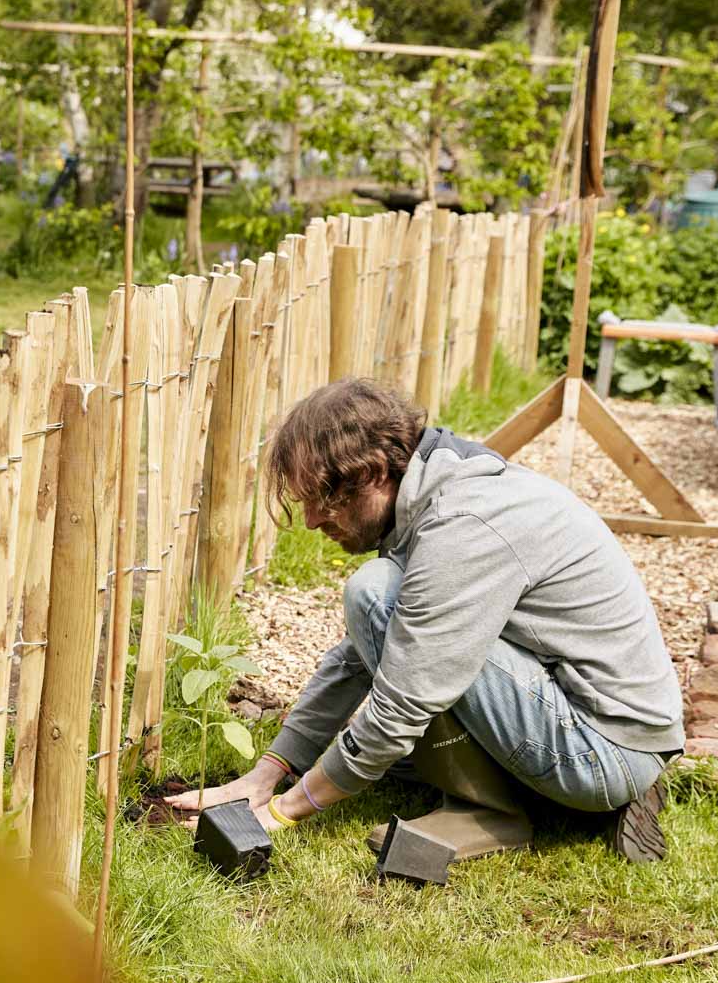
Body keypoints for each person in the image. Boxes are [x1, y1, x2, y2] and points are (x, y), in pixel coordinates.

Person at [168, 377, 679, 879]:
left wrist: (285, 811)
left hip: (601, 748)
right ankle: (528, 790)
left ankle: (490, 811)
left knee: (376, 598)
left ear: (370, 474)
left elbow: (404, 698)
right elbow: (357, 658)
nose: (310, 519)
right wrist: (269, 773)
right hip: (591, 721)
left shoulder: (464, 524)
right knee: (383, 611)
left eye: (322, 498)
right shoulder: (436, 489)